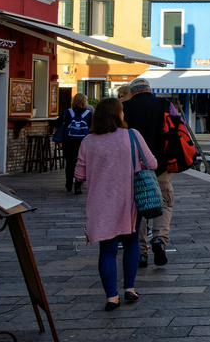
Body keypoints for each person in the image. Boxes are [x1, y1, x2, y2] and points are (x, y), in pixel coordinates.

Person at [74, 97, 157, 311]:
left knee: (107, 250)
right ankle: (130, 288)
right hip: (129, 201)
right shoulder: (132, 135)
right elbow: (152, 163)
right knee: (131, 243)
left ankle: (112, 297)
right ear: (118, 114)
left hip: (100, 204)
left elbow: (79, 175)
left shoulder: (88, 141)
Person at [122, 78, 174, 268]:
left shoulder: (124, 108)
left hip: (132, 167)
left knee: (138, 207)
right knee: (165, 202)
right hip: (161, 165)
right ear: (149, 90)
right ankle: (160, 239)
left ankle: (141, 252)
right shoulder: (164, 104)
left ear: (132, 92)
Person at [52, 93, 93, 194]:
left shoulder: (67, 112)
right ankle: (78, 184)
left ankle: (69, 183)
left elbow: (57, 123)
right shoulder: (88, 114)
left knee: (70, 162)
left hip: (68, 142)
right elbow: (93, 128)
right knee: (82, 162)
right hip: (83, 143)